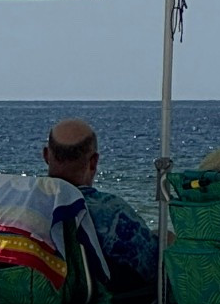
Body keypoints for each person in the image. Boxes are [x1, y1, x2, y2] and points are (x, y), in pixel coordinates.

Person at [41, 118, 157, 288]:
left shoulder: (22, 209)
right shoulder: (112, 213)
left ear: (46, 156)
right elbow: (151, 268)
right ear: (94, 161)